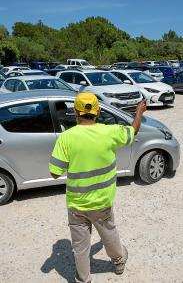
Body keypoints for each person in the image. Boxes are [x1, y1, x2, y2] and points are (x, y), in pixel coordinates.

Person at [49, 93, 146, 283]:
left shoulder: (66, 138)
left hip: (76, 206)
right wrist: (139, 112)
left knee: (80, 247)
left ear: (75, 112)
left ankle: (83, 279)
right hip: (102, 203)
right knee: (109, 233)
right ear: (98, 111)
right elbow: (133, 130)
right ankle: (118, 263)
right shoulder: (110, 132)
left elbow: (54, 172)